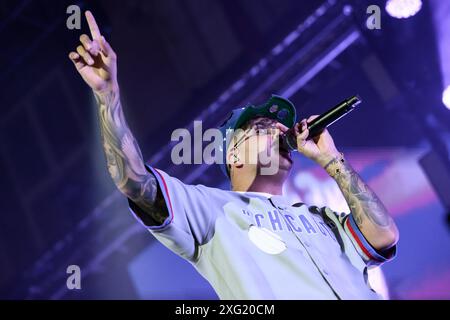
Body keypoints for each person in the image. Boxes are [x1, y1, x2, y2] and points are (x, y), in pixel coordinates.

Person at [69, 11, 399, 300]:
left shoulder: (323, 217)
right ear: (235, 155)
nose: (279, 132)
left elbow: (383, 236)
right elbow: (133, 181)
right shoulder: (210, 209)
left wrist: (332, 159)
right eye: (263, 128)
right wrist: (107, 94)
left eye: (280, 129)